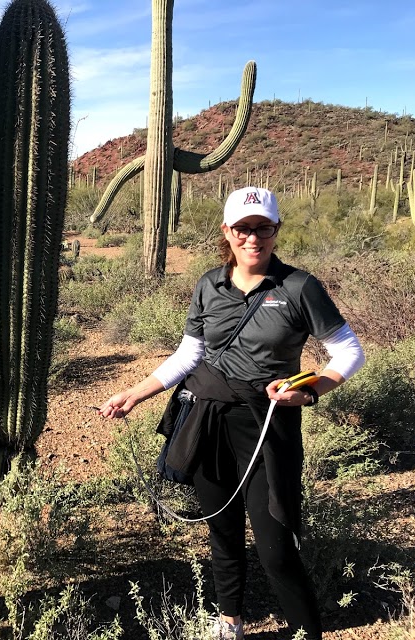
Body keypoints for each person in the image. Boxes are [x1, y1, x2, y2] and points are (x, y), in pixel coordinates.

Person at [99, 186, 365, 640]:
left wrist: (311, 391)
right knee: (221, 531)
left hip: (267, 425)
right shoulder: (209, 284)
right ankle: (231, 622)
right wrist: (136, 392)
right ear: (227, 231)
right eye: (243, 228)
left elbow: (349, 352)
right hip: (207, 418)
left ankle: (307, 633)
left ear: (276, 230)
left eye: (263, 228)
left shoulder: (299, 287)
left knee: (275, 544)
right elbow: (190, 353)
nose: (253, 238)